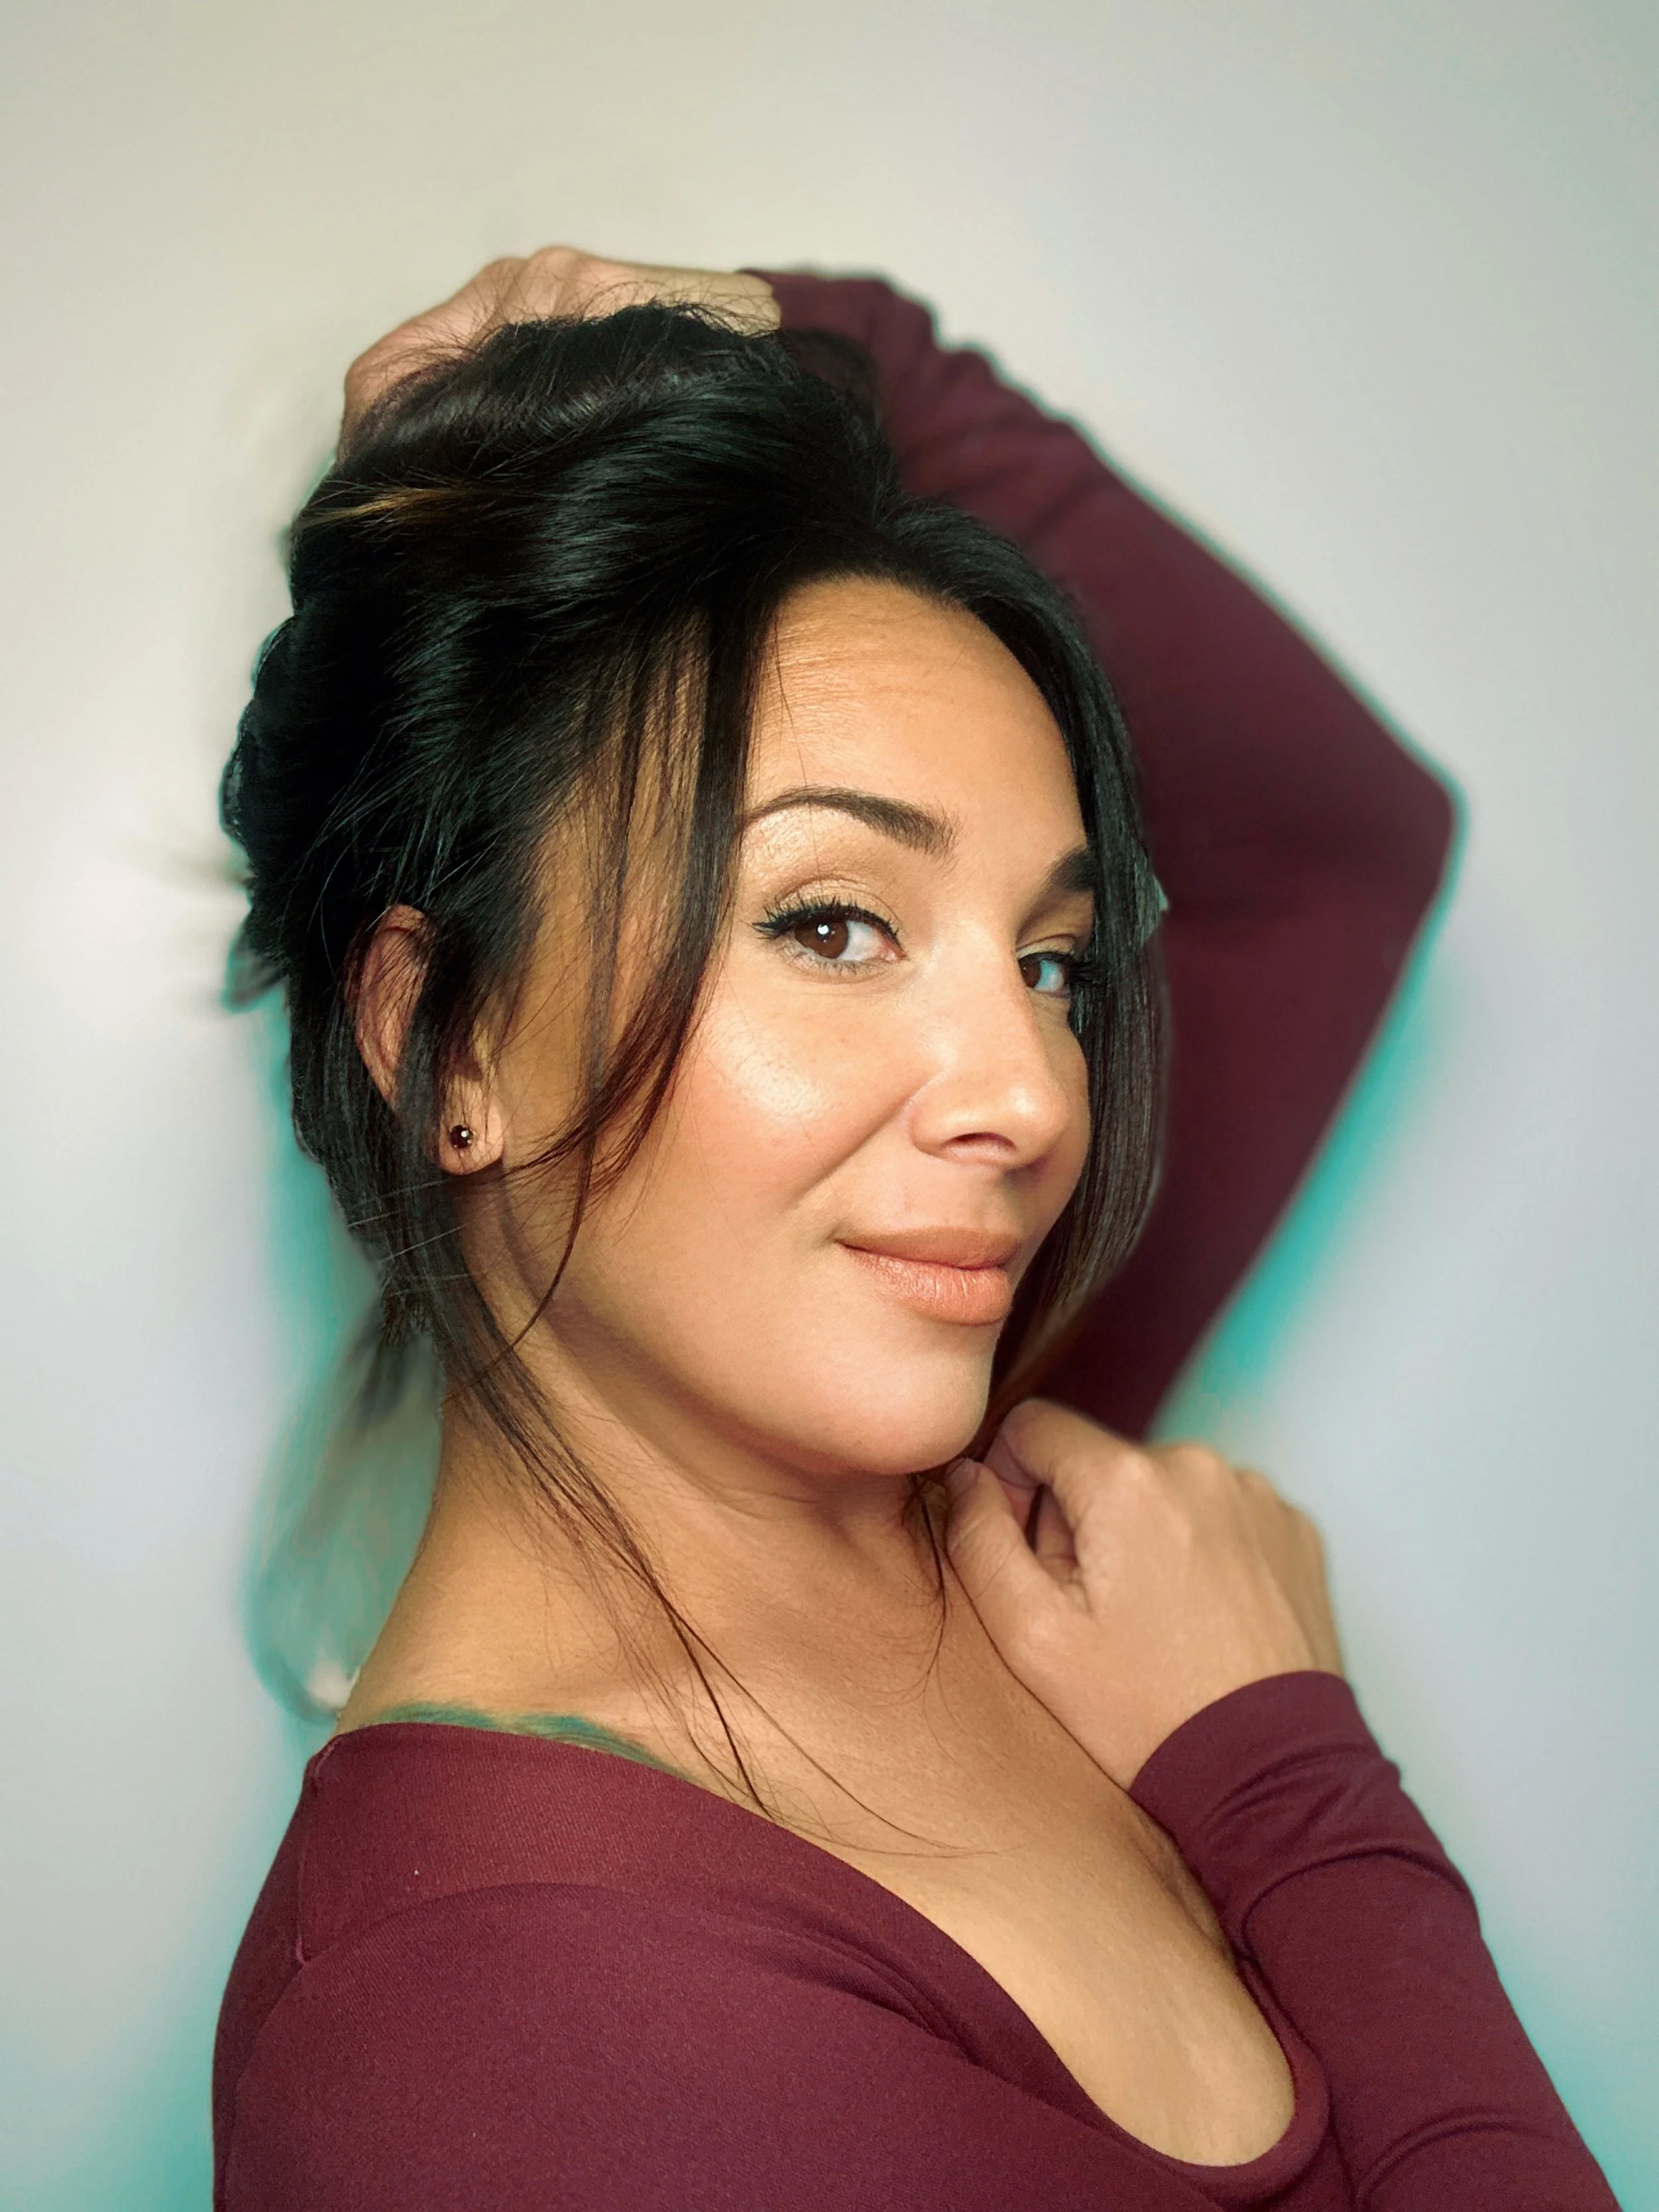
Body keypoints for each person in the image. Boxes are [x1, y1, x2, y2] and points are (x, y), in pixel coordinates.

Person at [212, 250, 1615, 2209]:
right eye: (829, 923)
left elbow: (1326, 842)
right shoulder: (503, 2024)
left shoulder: (971, 1474)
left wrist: (798, 355)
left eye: (1050, 960)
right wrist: (1287, 1775)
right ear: (441, 1036)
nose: (1034, 1102)